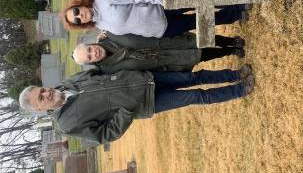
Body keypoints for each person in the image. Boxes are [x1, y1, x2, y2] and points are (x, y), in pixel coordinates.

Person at [18, 65, 255, 144]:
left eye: (42, 90)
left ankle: (235, 73)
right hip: (145, 103)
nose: (47, 94)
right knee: (196, 96)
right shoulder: (66, 124)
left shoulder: (66, 82)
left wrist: (127, 74)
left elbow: (101, 72)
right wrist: (126, 110)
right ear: (40, 110)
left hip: (144, 78)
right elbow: (104, 135)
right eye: (42, 98)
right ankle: (240, 89)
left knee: (193, 77)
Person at [60, 0, 249, 38]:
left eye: (76, 12)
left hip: (162, 8)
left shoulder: (104, 0)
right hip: (162, 30)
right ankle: (235, 14)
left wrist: (162, 0)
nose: (79, 16)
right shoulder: (101, 26)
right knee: (201, 21)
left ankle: (236, 2)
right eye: (76, 20)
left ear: (80, 5)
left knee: (199, 2)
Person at [72, 31, 246, 73]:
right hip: (164, 59)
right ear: (91, 63)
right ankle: (230, 52)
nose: (93, 53)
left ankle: (230, 41)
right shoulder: (111, 69)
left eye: (89, 49)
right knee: (200, 55)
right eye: (89, 58)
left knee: (199, 38)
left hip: (164, 40)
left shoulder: (109, 33)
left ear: (90, 43)